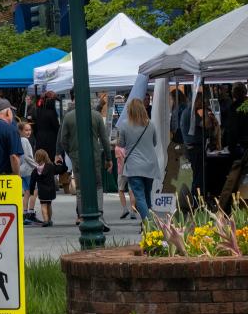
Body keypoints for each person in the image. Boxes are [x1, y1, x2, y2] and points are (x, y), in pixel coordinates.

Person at [58, 98, 113, 229]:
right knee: (98, 185)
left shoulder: (69, 117)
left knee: (80, 188)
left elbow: (63, 139)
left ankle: (83, 216)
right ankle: (99, 214)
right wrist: (109, 158)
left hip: (77, 157)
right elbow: (104, 139)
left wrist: (71, 152)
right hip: (94, 156)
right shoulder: (96, 116)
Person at [116, 97, 158, 221]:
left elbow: (121, 144)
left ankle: (149, 225)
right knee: (147, 196)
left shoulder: (124, 125)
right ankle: (148, 224)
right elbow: (154, 142)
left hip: (134, 166)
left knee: (139, 197)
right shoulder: (150, 124)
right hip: (150, 164)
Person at [27, 148, 66, 226]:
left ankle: (45, 220)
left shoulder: (35, 170)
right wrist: (61, 163)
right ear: (46, 157)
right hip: (50, 190)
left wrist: (31, 191)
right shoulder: (50, 167)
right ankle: (50, 220)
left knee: (43, 205)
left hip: (42, 191)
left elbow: (32, 183)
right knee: (49, 205)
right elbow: (60, 170)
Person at [18, 121, 36, 218]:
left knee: (27, 192)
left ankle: (25, 213)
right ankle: (31, 212)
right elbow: (27, 156)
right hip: (28, 169)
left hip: (21, 169)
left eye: (30, 130)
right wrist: (36, 166)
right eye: (26, 130)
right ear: (20, 131)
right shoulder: (24, 141)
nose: (28, 132)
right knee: (34, 191)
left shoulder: (19, 140)